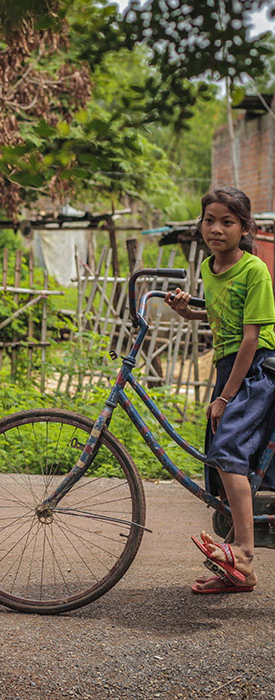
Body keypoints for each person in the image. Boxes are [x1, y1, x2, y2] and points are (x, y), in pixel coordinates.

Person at [165, 186, 275, 594]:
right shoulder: (211, 268)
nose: (216, 228)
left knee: (228, 452)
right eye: (209, 220)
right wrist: (185, 311)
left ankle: (243, 553)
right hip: (228, 367)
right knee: (220, 469)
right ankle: (237, 573)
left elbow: (250, 338)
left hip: (257, 370)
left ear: (244, 228)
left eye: (227, 222)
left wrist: (225, 397)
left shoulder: (254, 271)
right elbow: (217, 316)